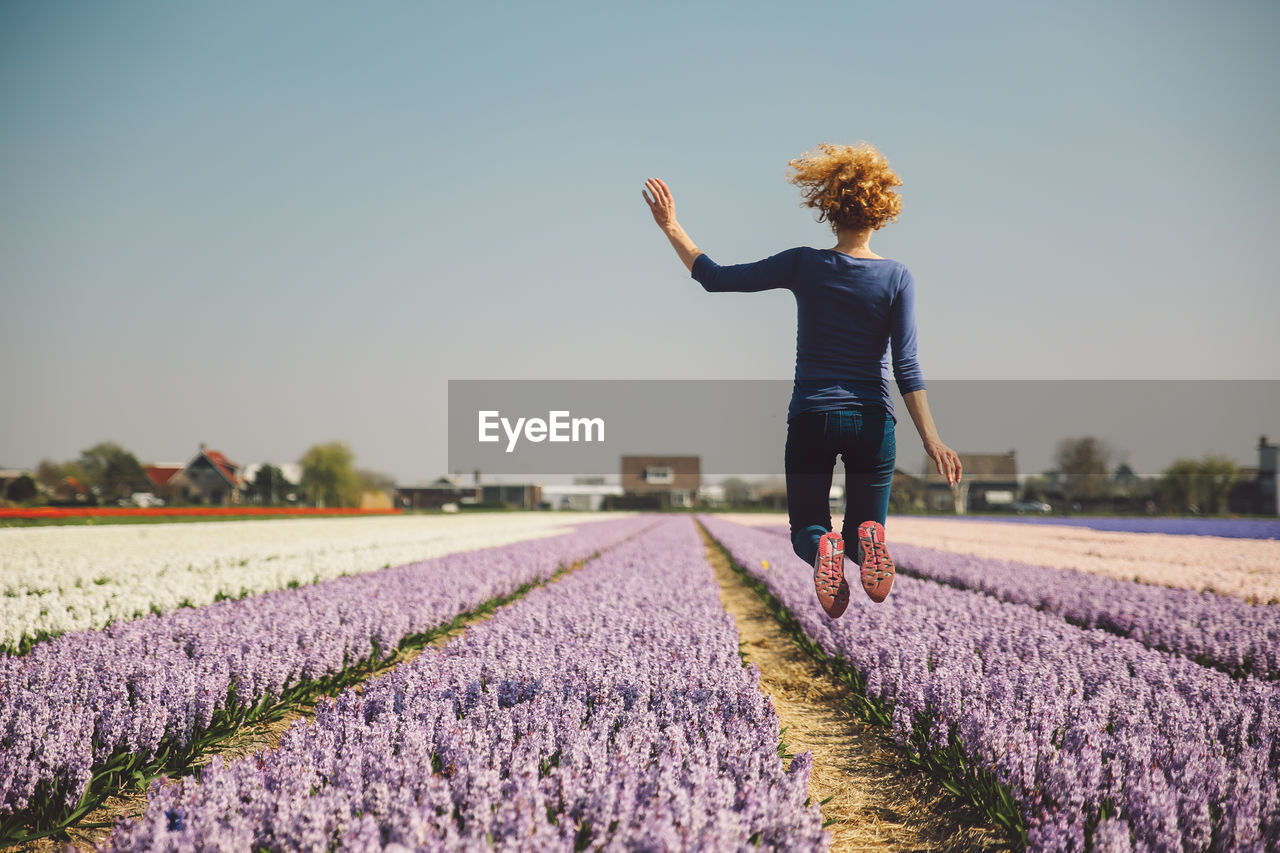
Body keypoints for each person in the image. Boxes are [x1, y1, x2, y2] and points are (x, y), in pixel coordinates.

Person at [642, 142, 962, 617]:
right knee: (863, 531)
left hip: (813, 415)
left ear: (829, 209)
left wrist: (671, 227)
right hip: (874, 421)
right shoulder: (898, 277)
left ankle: (821, 549)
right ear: (883, 211)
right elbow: (906, 364)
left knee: (808, 527)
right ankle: (865, 539)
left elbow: (714, 277)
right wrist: (932, 439)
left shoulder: (804, 263)